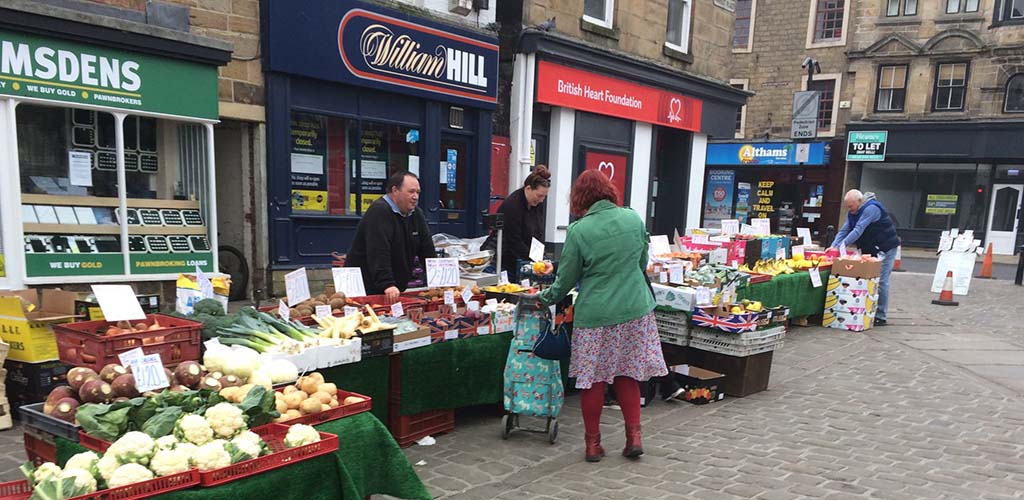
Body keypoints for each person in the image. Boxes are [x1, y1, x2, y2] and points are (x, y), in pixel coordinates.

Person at [533, 170, 667, 463]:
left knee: (592, 380)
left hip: (596, 314)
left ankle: (593, 445)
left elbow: (566, 280)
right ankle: (634, 437)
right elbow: (642, 261)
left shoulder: (580, 231)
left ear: (580, 198)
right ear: (609, 190)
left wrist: (543, 299)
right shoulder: (633, 218)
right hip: (635, 310)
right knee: (627, 375)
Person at [346, 171, 436, 301]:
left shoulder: (416, 214)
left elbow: (427, 248)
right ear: (395, 190)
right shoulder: (379, 211)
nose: (415, 197)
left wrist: (439, 277)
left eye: (418, 192)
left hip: (395, 288)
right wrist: (387, 284)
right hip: (367, 288)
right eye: (411, 192)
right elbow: (378, 251)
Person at [830, 189, 900, 326]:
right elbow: (845, 229)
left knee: (881, 280)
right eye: (847, 207)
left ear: (859, 202)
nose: (849, 210)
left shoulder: (871, 208)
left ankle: (880, 315)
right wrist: (833, 246)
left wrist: (841, 246)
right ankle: (867, 310)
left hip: (885, 246)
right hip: (871, 248)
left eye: (851, 206)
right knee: (869, 279)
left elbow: (858, 229)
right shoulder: (853, 212)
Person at [482, 166, 551, 277]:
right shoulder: (512, 205)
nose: (541, 200)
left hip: (520, 257)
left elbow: (538, 232)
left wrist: (542, 256)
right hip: (501, 258)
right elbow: (514, 240)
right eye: (539, 195)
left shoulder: (537, 204)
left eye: (544, 196)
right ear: (528, 188)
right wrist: (535, 259)